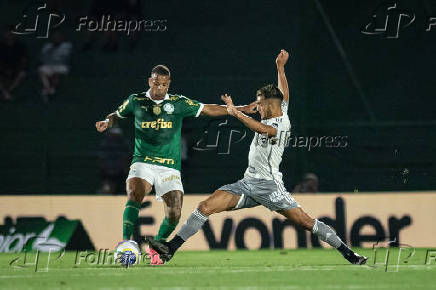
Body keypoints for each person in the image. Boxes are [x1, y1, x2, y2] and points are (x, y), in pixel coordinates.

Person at [145, 50, 368, 265]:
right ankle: (170, 248)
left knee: (307, 222)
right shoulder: (281, 106)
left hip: (270, 187)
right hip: (247, 183)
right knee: (205, 206)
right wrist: (280, 68)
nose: (256, 106)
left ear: (270, 104)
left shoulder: (281, 124)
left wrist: (236, 112)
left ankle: (348, 253)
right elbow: (283, 93)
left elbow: (261, 129)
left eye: (259, 103)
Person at [95, 65, 256, 265]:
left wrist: (240, 109)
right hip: (143, 161)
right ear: (149, 81)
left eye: (164, 84)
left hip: (169, 166)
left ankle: (158, 245)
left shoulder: (178, 103)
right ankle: (126, 242)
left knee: (175, 212)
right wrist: (106, 121)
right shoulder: (135, 101)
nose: (160, 88)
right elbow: (116, 115)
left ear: (168, 84)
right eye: (156, 83)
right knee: (135, 191)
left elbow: (208, 109)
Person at [38, 30, 72, 102]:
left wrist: (52, 55)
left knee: (56, 74)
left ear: (62, 37)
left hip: (61, 66)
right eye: (54, 36)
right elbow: (43, 58)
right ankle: (48, 89)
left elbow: (63, 58)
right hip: (48, 65)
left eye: (58, 36)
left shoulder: (67, 46)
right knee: (42, 70)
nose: (56, 38)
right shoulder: (47, 46)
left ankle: (50, 90)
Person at [0, 25, 28, 101]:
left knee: (22, 74)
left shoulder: (21, 46)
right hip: (3, 69)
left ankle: (7, 92)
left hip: (16, 69)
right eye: (7, 32)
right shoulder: (1, 46)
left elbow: (23, 61)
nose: (10, 35)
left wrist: (17, 69)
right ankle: (5, 94)